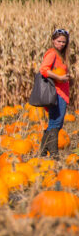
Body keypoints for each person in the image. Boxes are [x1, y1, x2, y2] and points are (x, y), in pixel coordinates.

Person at [39, 28, 71, 158]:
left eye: (64, 42)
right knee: (56, 122)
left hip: (62, 93)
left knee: (55, 121)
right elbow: (43, 70)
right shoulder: (52, 53)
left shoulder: (60, 55)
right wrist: (60, 78)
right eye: (59, 41)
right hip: (56, 93)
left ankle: (42, 151)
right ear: (53, 41)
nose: (61, 44)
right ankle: (53, 153)